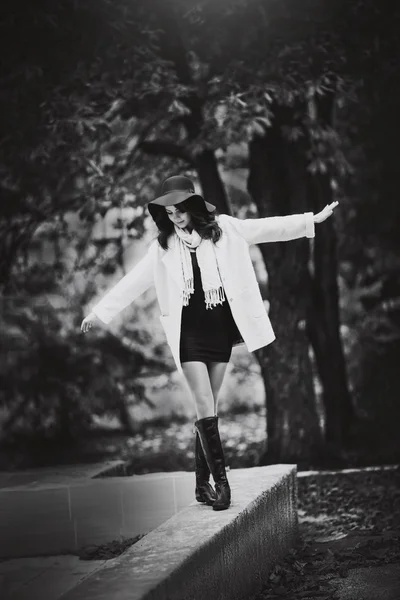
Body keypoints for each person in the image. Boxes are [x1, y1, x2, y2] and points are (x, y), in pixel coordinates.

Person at [81, 175, 338, 511]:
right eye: (168, 212)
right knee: (203, 402)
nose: (174, 216)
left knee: (209, 408)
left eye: (179, 209)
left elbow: (267, 228)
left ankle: (201, 484)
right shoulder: (162, 249)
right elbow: (133, 283)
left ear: (192, 205)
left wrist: (310, 220)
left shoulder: (226, 230)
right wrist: (100, 312)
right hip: (188, 335)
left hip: (219, 332)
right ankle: (222, 484)